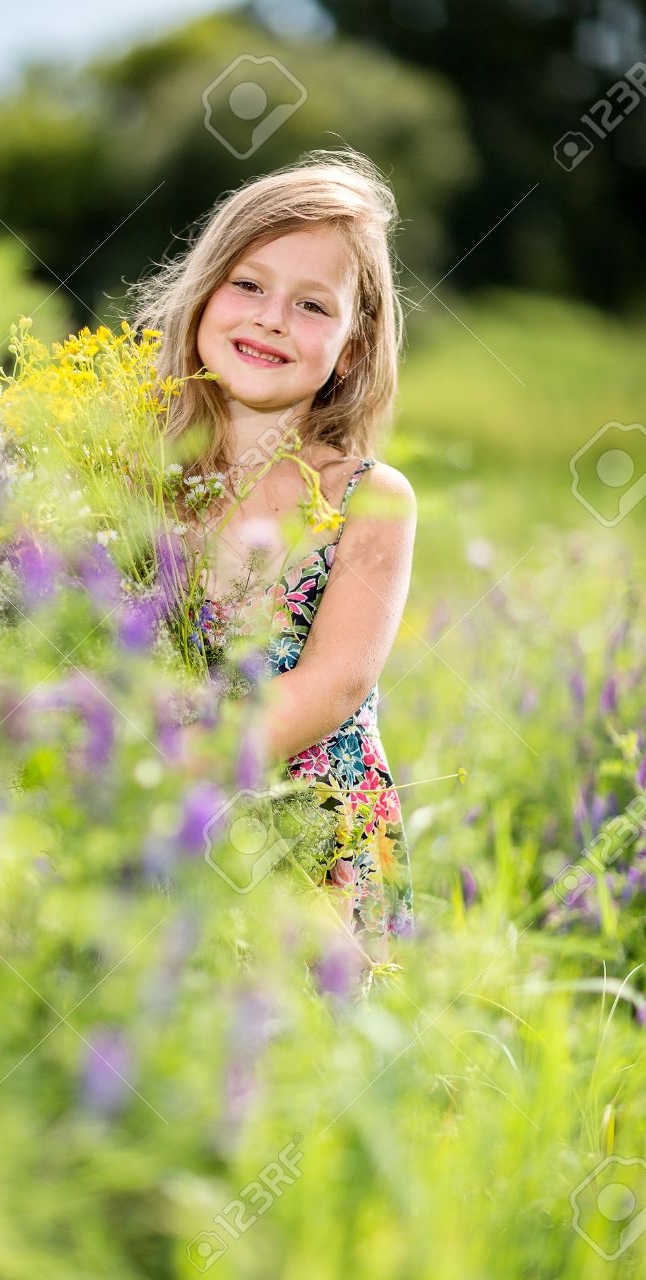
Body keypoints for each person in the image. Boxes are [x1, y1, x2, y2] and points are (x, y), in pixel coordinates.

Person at [127, 147, 417, 962]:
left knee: (298, 1066)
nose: (271, 317)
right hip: (149, 824)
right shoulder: (130, 473)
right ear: (204, 292)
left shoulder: (370, 495)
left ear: (353, 347)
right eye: (249, 284)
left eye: (312, 304)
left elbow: (333, 684)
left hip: (310, 836)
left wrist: (179, 766)